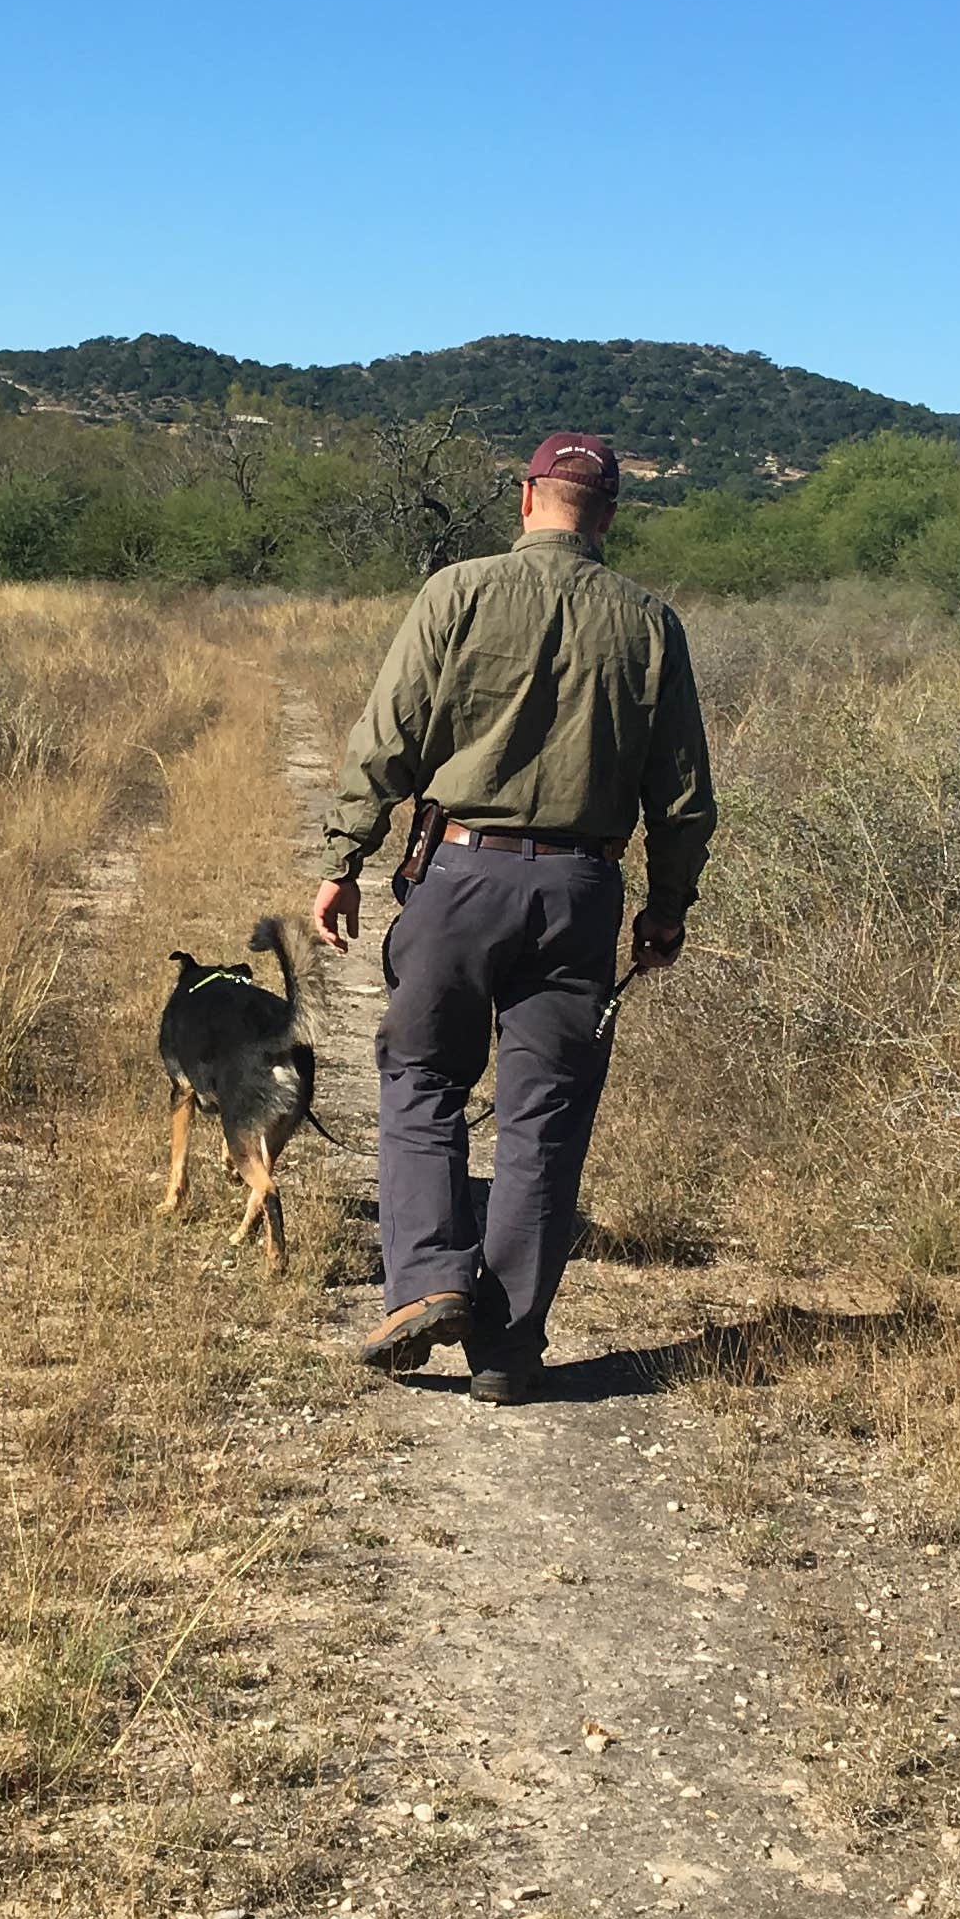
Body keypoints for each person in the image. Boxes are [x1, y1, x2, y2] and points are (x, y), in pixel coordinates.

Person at [311, 430, 716, 1403]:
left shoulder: (457, 592)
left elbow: (389, 738)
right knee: (546, 1118)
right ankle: (508, 1349)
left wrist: (343, 859)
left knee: (420, 1079)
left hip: (457, 876)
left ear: (527, 497)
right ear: (609, 515)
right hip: (580, 891)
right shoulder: (651, 625)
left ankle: (427, 1283)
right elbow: (685, 798)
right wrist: (666, 908)